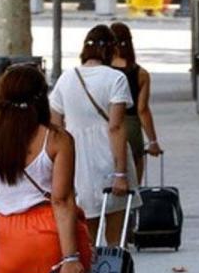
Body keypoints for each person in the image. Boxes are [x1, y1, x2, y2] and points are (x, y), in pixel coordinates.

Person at [0, 66, 93, 273]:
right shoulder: (57, 139)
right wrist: (70, 258)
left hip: (8, 234)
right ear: (42, 98)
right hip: (50, 233)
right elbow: (62, 200)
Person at [49, 25, 138, 246]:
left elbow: (55, 125)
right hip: (109, 158)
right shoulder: (116, 79)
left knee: (87, 236)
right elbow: (116, 127)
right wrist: (121, 173)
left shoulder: (66, 79)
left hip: (76, 161)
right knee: (116, 241)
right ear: (111, 50)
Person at [109, 22, 162, 183]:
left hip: (106, 127)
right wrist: (153, 141)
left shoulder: (102, 72)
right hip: (131, 129)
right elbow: (142, 110)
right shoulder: (141, 74)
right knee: (133, 187)